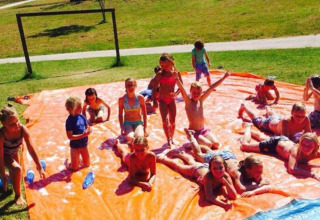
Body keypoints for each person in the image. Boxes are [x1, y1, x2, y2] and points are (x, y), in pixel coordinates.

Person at [184, 128, 272, 197]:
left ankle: (204, 147)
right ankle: (191, 136)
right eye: (257, 171)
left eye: (261, 170)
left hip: (229, 155)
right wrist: (259, 185)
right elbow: (240, 189)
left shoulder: (254, 168)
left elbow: (261, 180)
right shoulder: (237, 173)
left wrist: (259, 183)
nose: (260, 173)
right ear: (248, 170)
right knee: (198, 155)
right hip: (222, 158)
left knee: (210, 152)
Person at [240, 124, 320, 181]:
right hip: (274, 145)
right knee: (245, 146)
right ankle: (248, 127)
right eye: (303, 144)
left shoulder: (315, 153)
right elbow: (291, 169)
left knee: (263, 138)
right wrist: (312, 174)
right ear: (299, 144)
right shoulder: (295, 152)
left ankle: (253, 132)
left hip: (284, 141)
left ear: (315, 147)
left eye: (309, 146)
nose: (305, 148)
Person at [0, 105, 45, 205]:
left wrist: (39, 166)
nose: (16, 125)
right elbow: (1, 157)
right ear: (3, 124)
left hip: (14, 152)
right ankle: (18, 196)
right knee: (17, 169)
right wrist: (3, 175)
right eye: (12, 124)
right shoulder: (1, 135)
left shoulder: (22, 129)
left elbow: (31, 149)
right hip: (4, 154)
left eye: (17, 121)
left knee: (15, 173)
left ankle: (9, 176)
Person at [173, 71, 230, 149]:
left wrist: (224, 77)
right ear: (190, 92)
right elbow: (182, 90)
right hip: (194, 132)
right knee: (208, 145)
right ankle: (189, 144)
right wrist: (176, 78)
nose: (196, 94)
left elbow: (212, 87)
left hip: (203, 130)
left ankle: (196, 142)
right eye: (194, 92)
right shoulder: (188, 102)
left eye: (198, 93)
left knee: (216, 144)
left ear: (201, 93)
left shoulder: (201, 100)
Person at [238, 102, 311, 143]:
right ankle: (244, 107)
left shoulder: (306, 119)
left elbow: (309, 135)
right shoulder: (286, 121)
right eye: (297, 116)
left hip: (278, 119)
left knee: (274, 116)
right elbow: (285, 140)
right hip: (269, 124)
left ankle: (268, 108)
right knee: (255, 119)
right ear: (291, 113)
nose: (300, 118)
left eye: (302, 116)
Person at [152, 53, 183, 147]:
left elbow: (181, 86)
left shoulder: (176, 73)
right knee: (165, 120)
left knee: (172, 121)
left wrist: (176, 94)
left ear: (171, 62)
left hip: (171, 100)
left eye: (166, 65)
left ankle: (172, 137)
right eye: (162, 65)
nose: (164, 67)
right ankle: (168, 139)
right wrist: (154, 101)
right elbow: (154, 88)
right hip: (162, 100)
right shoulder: (160, 74)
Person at [65, 96, 92, 171]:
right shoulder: (69, 121)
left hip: (84, 145)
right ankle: (68, 164)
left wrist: (89, 129)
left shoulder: (82, 117)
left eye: (81, 107)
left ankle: (77, 159)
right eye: (78, 107)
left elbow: (87, 126)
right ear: (71, 109)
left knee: (87, 165)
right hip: (75, 147)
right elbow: (70, 136)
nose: (81, 109)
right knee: (74, 169)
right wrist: (83, 135)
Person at [118, 78, 148, 143]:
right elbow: (120, 115)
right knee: (130, 137)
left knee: (140, 137)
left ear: (135, 86)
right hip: (127, 123)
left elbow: (144, 113)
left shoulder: (140, 98)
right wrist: (122, 128)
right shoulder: (122, 99)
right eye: (128, 85)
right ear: (125, 87)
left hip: (138, 122)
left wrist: (145, 128)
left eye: (132, 85)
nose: (130, 87)